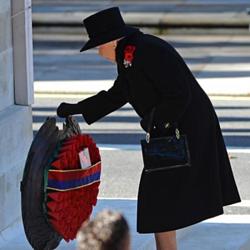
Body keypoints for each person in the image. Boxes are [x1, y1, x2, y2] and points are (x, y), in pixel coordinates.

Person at [57, 7, 241, 250]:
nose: (98, 53)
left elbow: (179, 94)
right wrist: (78, 108)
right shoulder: (130, 54)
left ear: (111, 41)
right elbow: (118, 94)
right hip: (170, 132)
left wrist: (153, 123)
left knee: (159, 202)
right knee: (160, 204)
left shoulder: (147, 50)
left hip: (186, 133)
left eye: (98, 46)